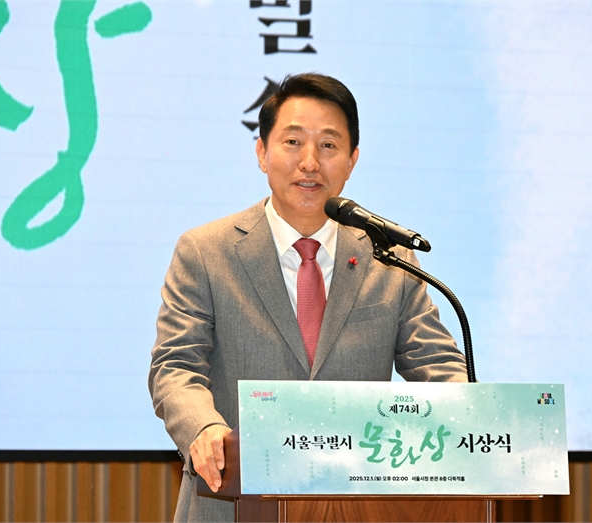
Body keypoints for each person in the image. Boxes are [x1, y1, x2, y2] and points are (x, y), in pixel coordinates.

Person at [149, 73, 468, 522]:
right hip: (230, 502)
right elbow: (175, 365)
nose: (310, 162)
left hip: (359, 507)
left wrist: (473, 420)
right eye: (293, 142)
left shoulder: (390, 258)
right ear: (262, 153)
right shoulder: (206, 251)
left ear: (352, 160)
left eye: (329, 145)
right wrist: (204, 428)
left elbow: (438, 364)